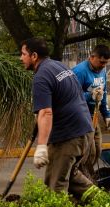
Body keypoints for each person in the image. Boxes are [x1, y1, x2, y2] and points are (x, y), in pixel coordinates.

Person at [20, 37, 100, 201]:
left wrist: (41, 146)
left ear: (34, 56)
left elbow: (46, 113)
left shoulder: (41, 77)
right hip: (85, 131)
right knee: (71, 177)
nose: (21, 58)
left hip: (68, 137)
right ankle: (103, 200)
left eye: (23, 54)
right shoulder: (59, 66)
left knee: (55, 186)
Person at [72, 45, 110, 178]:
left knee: (98, 149)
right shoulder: (79, 71)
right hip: (80, 116)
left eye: (106, 63)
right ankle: (84, 177)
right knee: (90, 151)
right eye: (101, 62)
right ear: (91, 57)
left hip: (94, 114)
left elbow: (103, 93)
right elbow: (70, 96)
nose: (103, 66)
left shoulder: (102, 70)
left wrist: (106, 114)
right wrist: (89, 95)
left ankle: (86, 175)